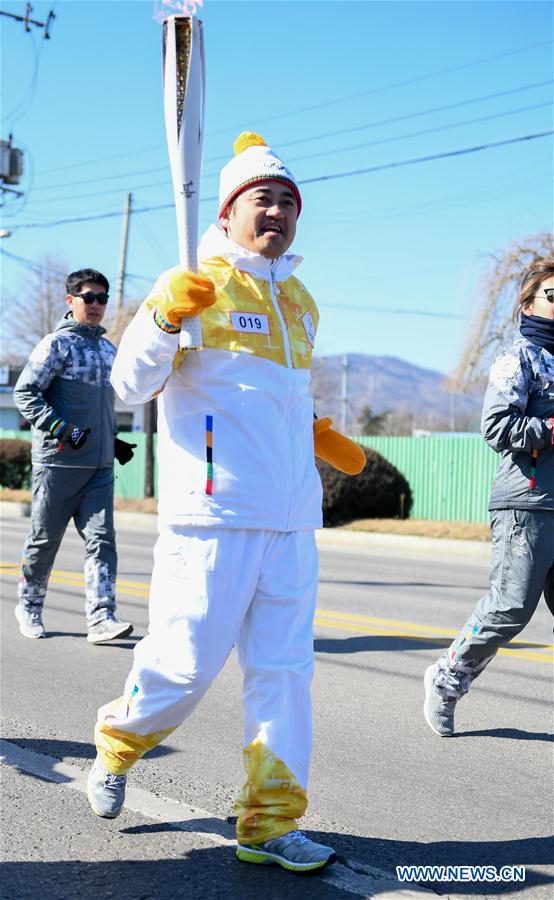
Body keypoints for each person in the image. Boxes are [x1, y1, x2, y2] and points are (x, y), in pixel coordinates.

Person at [87, 133, 365, 873]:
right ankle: (119, 740)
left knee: (285, 673)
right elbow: (127, 386)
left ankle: (270, 822)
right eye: (261, 199)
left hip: (290, 519)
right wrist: (162, 320)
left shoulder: (301, 301)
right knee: (183, 665)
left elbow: (271, 402)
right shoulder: (191, 279)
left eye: (287, 202)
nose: (276, 211)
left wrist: (317, 436)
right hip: (211, 513)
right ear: (229, 210)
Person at [424, 258, 554, 736]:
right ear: (528, 303)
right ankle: (447, 679)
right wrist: (550, 428)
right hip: (527, 503)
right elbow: (497, 426)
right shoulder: (516, 358)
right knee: (511, 609)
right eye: (553, 295)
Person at [13, 267, 137, 644]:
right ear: (71, 301)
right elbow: (25, 394)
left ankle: (101, 618)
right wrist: (62, 430)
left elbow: (102, 406)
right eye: (89, 298)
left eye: (102, 298)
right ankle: (29, 605)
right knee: (44, 539)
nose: (97, 305)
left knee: (102, 541)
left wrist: (111, 442)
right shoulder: (56, 345)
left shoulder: (107, 349)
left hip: (98, 466)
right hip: (57, 463)